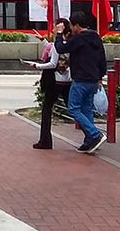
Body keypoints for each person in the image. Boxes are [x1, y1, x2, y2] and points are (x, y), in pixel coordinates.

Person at [54, 11, 108, 153]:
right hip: (93, 80)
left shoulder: (79, 39)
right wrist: (100, 76)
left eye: (71, 25)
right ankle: (89, 141)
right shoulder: (96, 37)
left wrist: (59, 34)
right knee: (86, 109)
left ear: (76, 25)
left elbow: (61, 48)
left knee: (73, 108)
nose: (70, 28)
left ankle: (95, 134)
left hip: (81, 79)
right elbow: (102, 59)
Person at [26, 18, 72, 150]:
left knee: (46, 110)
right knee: (74, 110)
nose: (52, 29)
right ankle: (91, 134)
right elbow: (54, 51)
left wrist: (36, 65)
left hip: (55, 82)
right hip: (67, 81)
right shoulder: (69, 43)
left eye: (56, 28)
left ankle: (45, 140)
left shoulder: (58, 45)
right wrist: (43, 40)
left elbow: (52, 63)